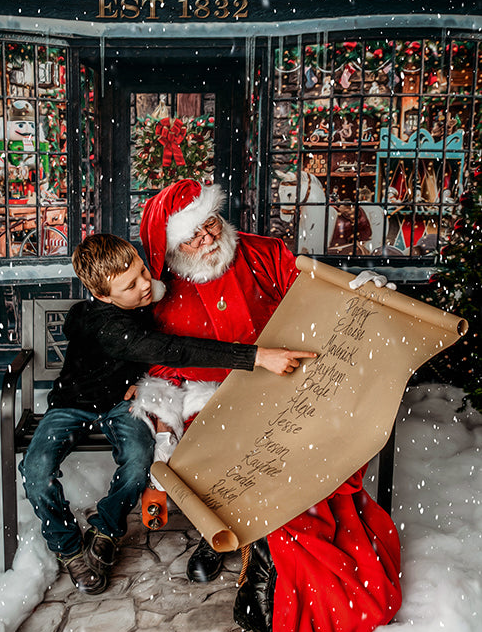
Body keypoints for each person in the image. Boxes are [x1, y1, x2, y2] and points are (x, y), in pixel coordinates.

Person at [134, 178, 402, 632]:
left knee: (306, 478)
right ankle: (257, 554)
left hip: (289, 395)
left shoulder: (262, 253)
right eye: (192, 237)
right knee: (249, 471)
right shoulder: (162, 295)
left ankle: (271, 566)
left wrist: (358, 292)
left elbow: (320, 296)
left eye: (210, 224)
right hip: (211, 411)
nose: (209, 240)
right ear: (172, 248)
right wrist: (164, 439)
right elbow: (162, 372)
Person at [19, 232, 310, 596]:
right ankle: (69, 547)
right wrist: (255, 356)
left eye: (143, 271)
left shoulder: (142, 301)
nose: (145, 285)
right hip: (71, 404)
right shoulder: (104, 324)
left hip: (122, 403)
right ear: (102, 296)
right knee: (36, 470)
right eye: (131, 285)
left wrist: (135, 376)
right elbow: (176, 349)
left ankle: (106, 528)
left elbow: (160, 332)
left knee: (140, 462)